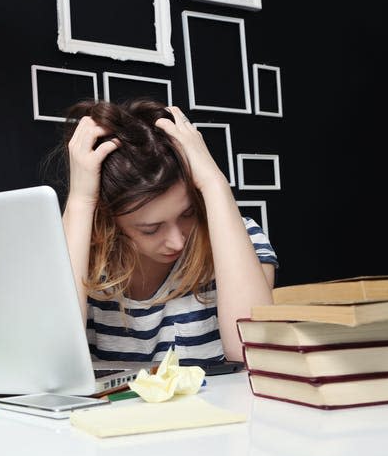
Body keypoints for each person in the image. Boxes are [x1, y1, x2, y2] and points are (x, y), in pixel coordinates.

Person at [56, 98, 278, 365]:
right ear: (109, 224)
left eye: (188, 214)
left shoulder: (242, 237)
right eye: (150, 229)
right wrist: (81, 202)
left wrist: (214, 182)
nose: (176, 241)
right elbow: (53, 364)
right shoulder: (81, 249)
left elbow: (251, 353)